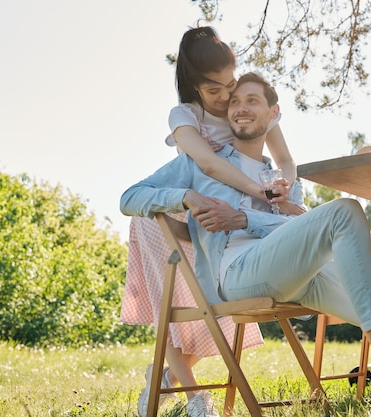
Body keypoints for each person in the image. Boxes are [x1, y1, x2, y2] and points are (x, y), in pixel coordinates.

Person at [120, 72, 371, 409]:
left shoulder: (283, 179)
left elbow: (302, 231)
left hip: (299, 275)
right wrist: (187, 197)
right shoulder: (201, 165)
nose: (240, 107)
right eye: (235, 101)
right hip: (239, 274)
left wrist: (257, 216)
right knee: (345, 210)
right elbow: (129, 197)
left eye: (251, 100)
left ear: (273, 114)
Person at [120, 26, 301, 417]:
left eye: (229, 84)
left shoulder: (245, 103)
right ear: (194, 87)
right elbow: (207, 163)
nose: (225, 98)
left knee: (205, 299)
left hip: (220, 218)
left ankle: (168, 376)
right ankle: (194, 398)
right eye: (213, 90)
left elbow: (285, 160)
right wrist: (259, 193)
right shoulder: (185, 116)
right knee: (172, 298)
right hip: (169, 211)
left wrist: (283, 186)